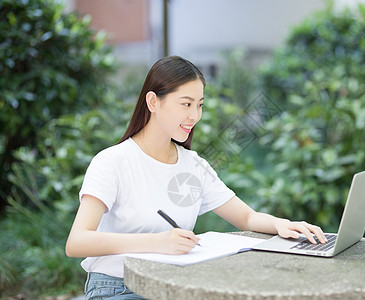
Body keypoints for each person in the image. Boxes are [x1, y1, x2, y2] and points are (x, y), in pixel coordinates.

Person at [65, 56, 327, 299]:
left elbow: (246, 217)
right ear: (153, 102)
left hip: (172, 285)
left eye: (199, 105)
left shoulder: (192, 165)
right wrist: (157, 242)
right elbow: (77, 242)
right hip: (119, 286)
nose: (194, 116)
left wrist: (283, 225)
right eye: (186, 104)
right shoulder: (113, 162)